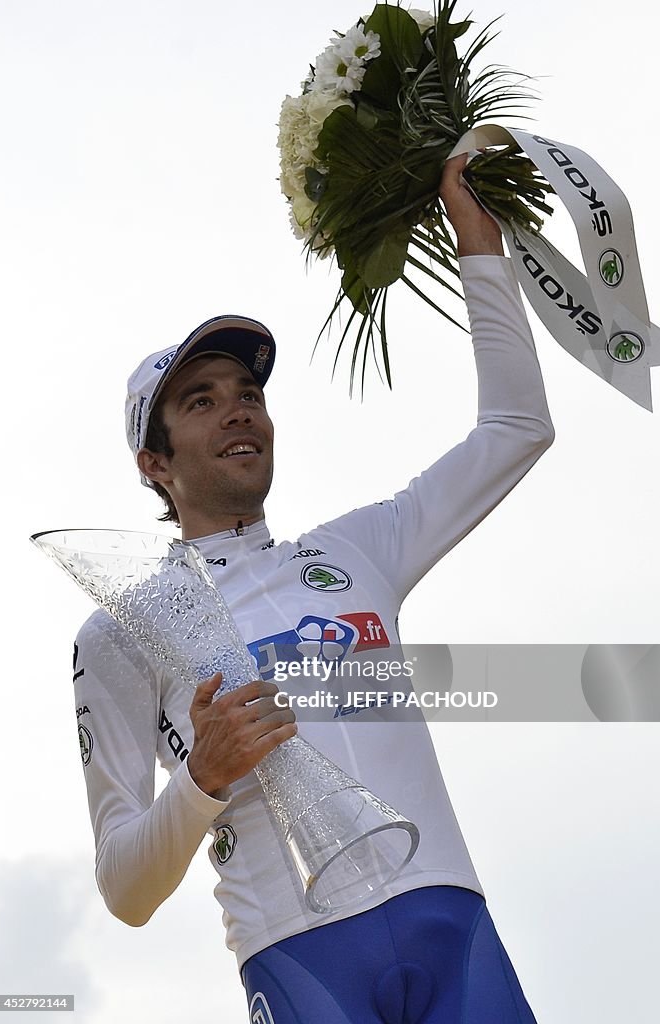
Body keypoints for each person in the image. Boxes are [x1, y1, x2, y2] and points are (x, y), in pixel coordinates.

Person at [73, 154, 554, 1023]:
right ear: (154, 462)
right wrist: (203, 780)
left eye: (250, 391)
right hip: (303, 957)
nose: (240, 409)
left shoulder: (358, 550)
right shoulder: (119, 630)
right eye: (202, 400)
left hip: (454, 924)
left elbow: (518, 427)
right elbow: (124, 888)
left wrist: (479, 245)